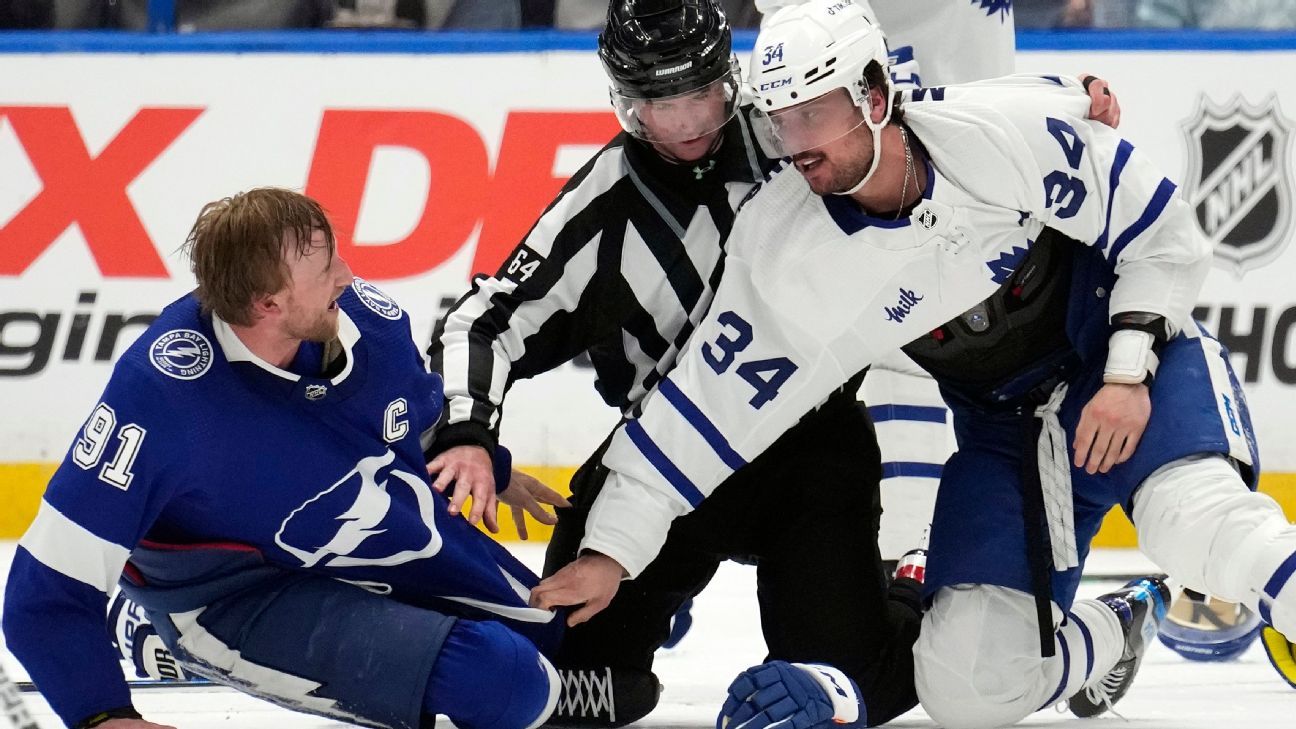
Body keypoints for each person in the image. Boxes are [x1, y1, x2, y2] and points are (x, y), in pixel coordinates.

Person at [530, 1, 1296, 728]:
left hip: (1122, 367)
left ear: (872, 93)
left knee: (1204, 527)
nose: (796, 143)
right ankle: (1114, 628)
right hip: (1007, 435)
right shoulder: (784, 250)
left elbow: (1161, 234)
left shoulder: (1002, 130)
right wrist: (612, 548)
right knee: (967, 686)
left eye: (813, 112)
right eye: (779, 118)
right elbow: (698, 411)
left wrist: (1128, 371)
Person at [429, 1, 1121, 726]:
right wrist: (468, 433)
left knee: (857, 689)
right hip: (667, 461)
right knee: (571, 688)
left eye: (702, 92)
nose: (691, 120)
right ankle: (648, 614)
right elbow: (485, 319)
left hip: (811, 456)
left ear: (731, 78)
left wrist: (1067, 98)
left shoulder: (792, 130)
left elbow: (926, 114)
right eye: (662, 104)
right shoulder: (601, 209)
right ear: (627, 106)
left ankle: (919, 590)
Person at [2, 188, 570, 729]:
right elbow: (44, 594)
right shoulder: (160, 398)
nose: (347, 277)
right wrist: (102, 714)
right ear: (268, 303)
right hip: (229, 596)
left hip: (332, 547)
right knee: (509, 684)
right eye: (325, 272)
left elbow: (406, 427)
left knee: (564, 637)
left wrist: (492, 468)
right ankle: (157, 634)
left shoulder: (369, 323)